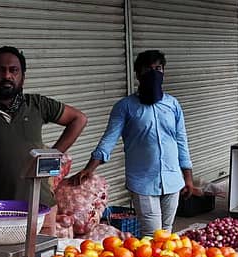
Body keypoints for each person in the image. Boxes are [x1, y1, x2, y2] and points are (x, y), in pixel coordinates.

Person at [0, 46, 87, 232]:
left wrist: (52, 154)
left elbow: (79, 119)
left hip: (42, 210)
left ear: (23, 77)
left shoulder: (37, 105)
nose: (7, 76)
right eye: (0, 70)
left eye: (13, 70)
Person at [78, 49, 199, 237]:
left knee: (166, 232)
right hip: (143, 181)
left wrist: (188, 178)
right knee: (152, 234)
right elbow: (108, 139)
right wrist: (89, 168)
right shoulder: (125, 107)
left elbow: (181, 140)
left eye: (158, 68)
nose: (153, 73)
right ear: (137, 74)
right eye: (147, 70)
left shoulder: (173, 105)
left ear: (164, 72)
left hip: (172, 179)